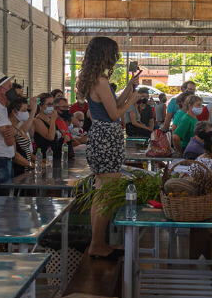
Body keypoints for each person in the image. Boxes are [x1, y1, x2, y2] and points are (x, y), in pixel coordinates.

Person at [77, 36, 140, 260]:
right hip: (107, 137)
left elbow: (112, 105)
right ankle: (97, 244)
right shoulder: (101, 81)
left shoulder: (95, 79)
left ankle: (98, 242)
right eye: (113, 54)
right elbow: (115, 114)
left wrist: (129, 88)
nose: (115, 58)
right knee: (106, 193)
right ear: (105, 55)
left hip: (103, 136)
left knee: (101, 192)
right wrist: (133, 100)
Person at [31, 92, 63, 167]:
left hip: (56, 155)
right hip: (45, 157)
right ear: (40, 106)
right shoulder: (37, 121)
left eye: (52, 104)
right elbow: (50, 137)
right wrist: (53, 120)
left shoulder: (50, 120)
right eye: (48, 104)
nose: (51, 107)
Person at [7, 94, 34, 173]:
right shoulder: (10, 129)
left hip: (26, 169)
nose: (26, 113)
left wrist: (38, 161)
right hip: (18, 170)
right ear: (14, 112)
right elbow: (15, 155)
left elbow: (26, 150)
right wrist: (31, 165)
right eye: (24, 110)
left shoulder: (18, 127)